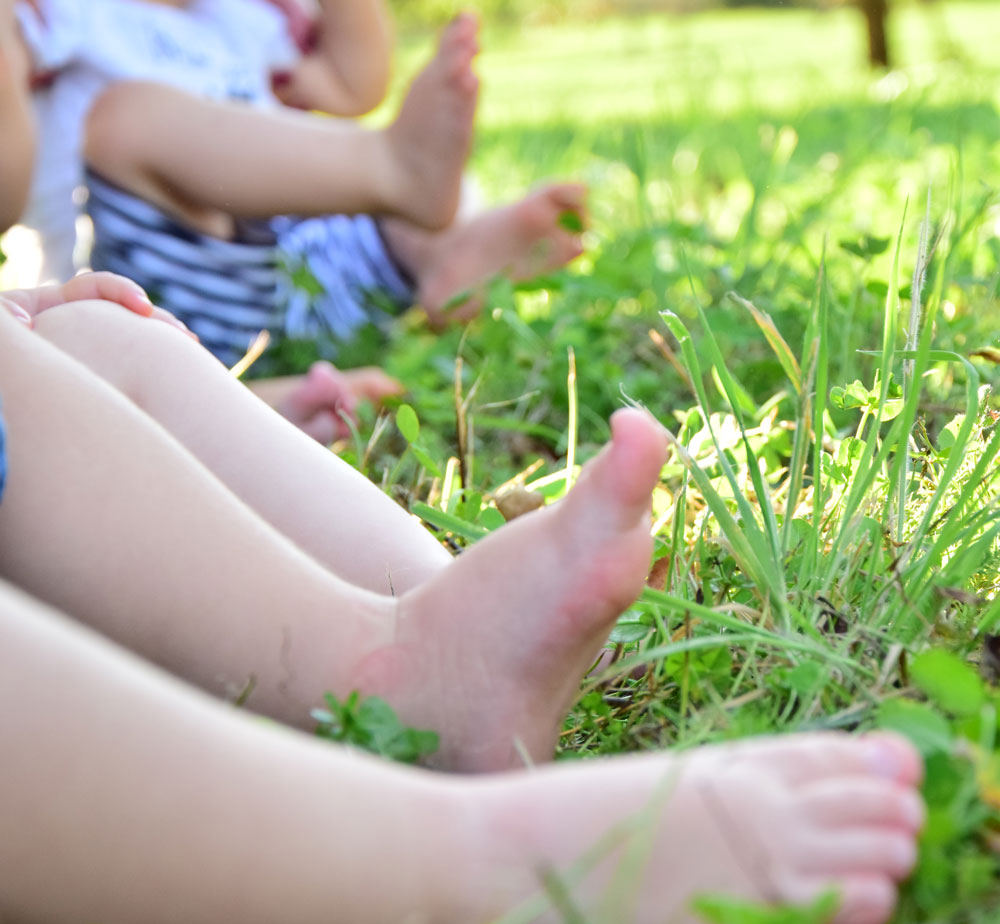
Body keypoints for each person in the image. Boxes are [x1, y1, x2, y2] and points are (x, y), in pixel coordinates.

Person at [0, 4, 925, 921]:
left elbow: (348, 78)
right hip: (194, 255)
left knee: (95, 337)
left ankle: (439, 628)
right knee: (123, 133)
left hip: (291, 250)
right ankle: (461, 853)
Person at [14, 0, 587, 365]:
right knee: (126, 119)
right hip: (144, 300)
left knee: (339, 169)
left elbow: (354, 84)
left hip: (295, 288)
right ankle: (400, 173)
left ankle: (440, 259)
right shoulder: (58, 16)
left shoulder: (242, 17)